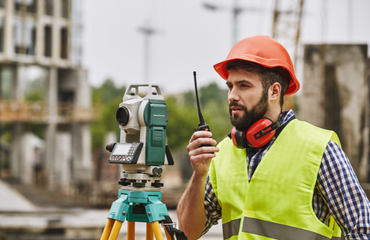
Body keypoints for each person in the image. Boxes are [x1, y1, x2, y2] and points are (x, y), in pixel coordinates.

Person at [177, 35, 370, 240]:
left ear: (274, 91)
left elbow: (363, 229)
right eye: (230, 86)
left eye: (244, 85)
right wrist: (198, 175)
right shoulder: (221, 153)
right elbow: (187, 233)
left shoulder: (319, 148)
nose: (232, 95)